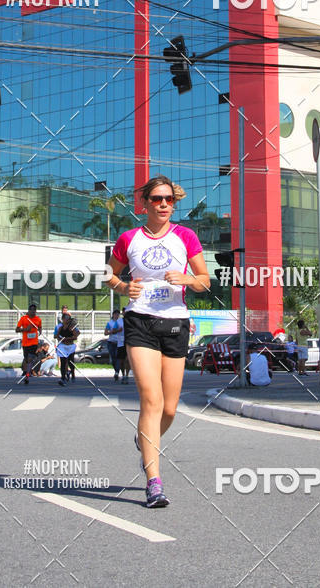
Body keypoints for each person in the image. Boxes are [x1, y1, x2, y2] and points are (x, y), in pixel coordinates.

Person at [106, 174, 210, 508]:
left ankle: (143, 440)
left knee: (169, 408)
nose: (164, 204)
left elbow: (206, 281)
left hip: (176, 323)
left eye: (169, 200)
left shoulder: (186, 236)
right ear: (145, 203)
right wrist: (123, 287)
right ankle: (154, 481)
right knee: (151, 401)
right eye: (157, 199)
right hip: (139, 321)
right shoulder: (129, 238)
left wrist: (188, 278)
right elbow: (107, 274)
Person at [16, 303, 42, 385]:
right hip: (25, 343)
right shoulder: (24, 319)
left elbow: (40, 326)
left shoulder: (38, 319)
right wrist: (25, 329)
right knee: (27, 360)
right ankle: (26, 371)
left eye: (34, 310)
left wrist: (40, 331)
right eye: (32, 310)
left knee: (30, 359)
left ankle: (27, 375)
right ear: (29, 310)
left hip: (34, 343)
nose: (33, 312)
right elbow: (17, 329)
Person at [56, 312, 80, 384]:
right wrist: (60, 339)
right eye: (66, 319)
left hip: (70, 347)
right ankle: (63, 378)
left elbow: (75, 336)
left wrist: (67, 338)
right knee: (63, 362)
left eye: (68, 319)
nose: (67, 320)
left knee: (70, 361)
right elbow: (57, 336)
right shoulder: (60, 327)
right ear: (63, 319)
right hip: (63, 346)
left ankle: (73, 374)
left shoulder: (72, 327)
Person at [105, 309, 123, 381]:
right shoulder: (110, 323)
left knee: (118, 357)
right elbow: (105, 333)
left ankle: (117, 372)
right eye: (115, 314)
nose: (117, 316)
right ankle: (116, 370)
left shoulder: (120, 322)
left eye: (118, 314)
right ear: (113, 315)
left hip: (118, 342)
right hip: (111, 342)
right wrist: (112, 332)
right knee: (113, 358)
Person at [118, 308, 131, 383]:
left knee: (127, 360)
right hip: (120, 342)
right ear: (122, 312)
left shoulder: (131, 320)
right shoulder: (119, 321)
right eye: (124, 312)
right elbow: (114, 330)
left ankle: (127, 375)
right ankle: (123, 374)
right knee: (121, 361)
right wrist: (117, 330)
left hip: (129, 341)